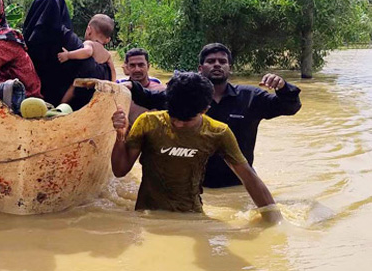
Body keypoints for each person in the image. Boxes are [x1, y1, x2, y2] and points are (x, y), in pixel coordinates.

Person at [111, 72, 282, 223]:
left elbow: (248, 177)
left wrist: (275, 221)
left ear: (205, 110)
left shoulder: (218, 132)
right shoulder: (147, 122)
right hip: (147, 216)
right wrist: (120, 135)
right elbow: (120, 170)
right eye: (174, 117)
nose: (178, 124)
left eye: (186, 120)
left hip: (193, 218)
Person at [127, 43, 302, 188]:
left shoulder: (250, 97)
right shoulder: (187, 96)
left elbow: (290, 107)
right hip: (196, 185)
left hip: (237, 184)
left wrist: (283, 87)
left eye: (222, 61)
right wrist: (125, 86)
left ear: (229, 68)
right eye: (211, 61)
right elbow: (148, 97)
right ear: (200, 68)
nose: (217, 64)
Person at [23, 0, 101, 109]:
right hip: (65, 106)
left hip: (29, 102)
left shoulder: (25, 38)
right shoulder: (68, 38)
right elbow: (88, 70)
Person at [57, 14, 117, 104]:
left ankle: (61, 105)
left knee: (73, 87)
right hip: (101, 80)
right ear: (107, 40)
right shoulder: (107, 53)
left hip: (87, 76)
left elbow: (87, 52)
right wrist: (112, 84)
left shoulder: (90, 43)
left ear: (89, 30)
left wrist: (68, 55)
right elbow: (112, 70)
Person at [117, 48, 166, 125]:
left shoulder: (161, 90)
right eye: (132, 65)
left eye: (141, 65)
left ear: (148, 66)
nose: (137, 69)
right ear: (127, 67)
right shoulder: (119, 93)